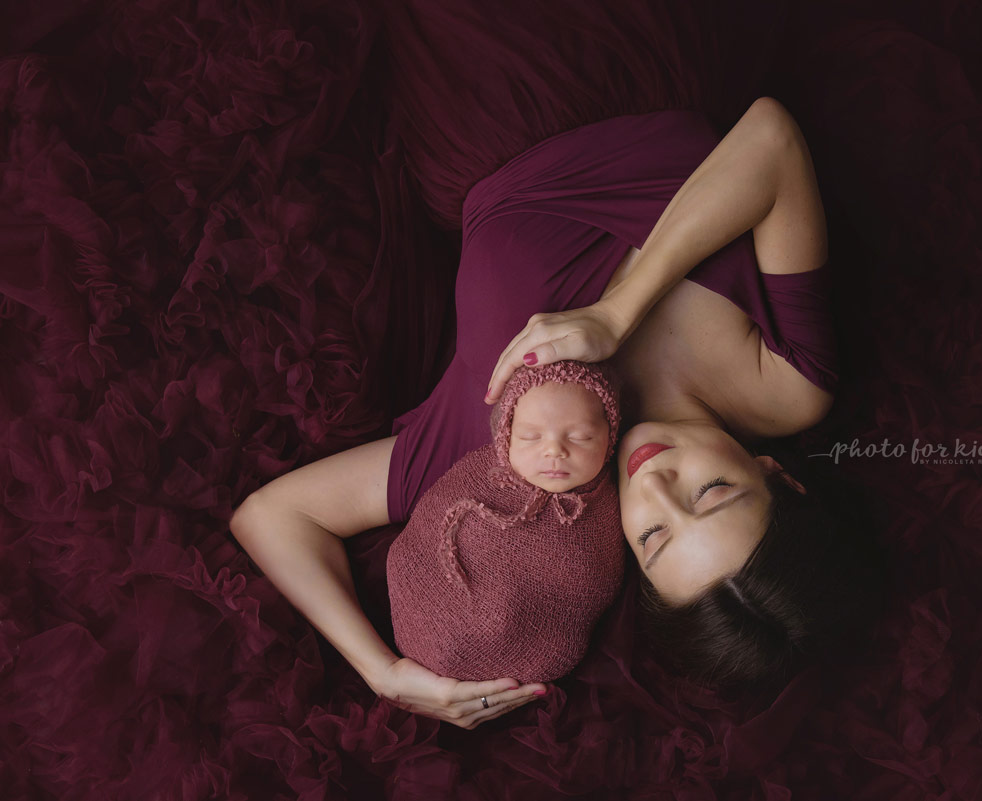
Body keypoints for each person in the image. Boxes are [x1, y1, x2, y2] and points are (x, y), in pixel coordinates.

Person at [230, 97, 876, 729]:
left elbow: (273, 515)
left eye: (653, 537)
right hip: (644, 63)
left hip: (480, 105)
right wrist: (614, 314)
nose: (655, 485)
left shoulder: (509, 453)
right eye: (711, 491)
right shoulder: (787, 384)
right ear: (777, 475)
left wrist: (382, 672)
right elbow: (770, 137)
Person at [386, 360, 624, 684]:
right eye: (530, 436)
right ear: (506, 435)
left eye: (581, 437)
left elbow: (591, 587)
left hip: (520, 651)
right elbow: (430, 523)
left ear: (609, 437)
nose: (554, 450)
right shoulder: (483, 475)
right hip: (421, 614)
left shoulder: (606, 513)